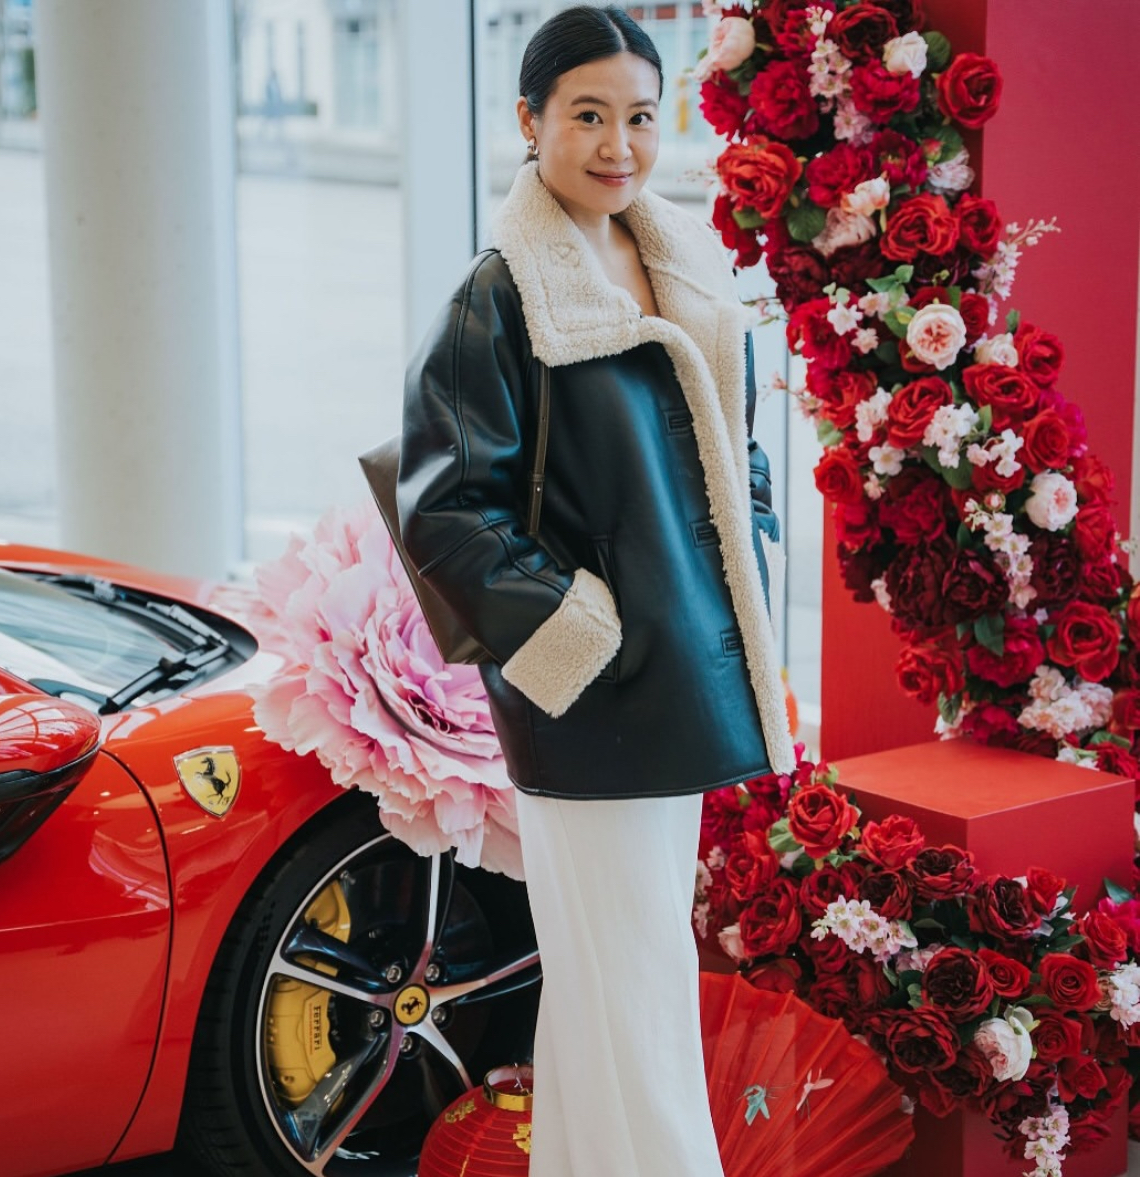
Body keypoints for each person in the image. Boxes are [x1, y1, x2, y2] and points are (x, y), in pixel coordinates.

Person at [397, 7, 796, 1174]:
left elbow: (736, 449)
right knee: (638, 997)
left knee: (607, 995)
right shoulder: (498, 297)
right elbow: (442, 511)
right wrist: (581, 633)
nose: (620, 146)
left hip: (679, 673)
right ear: (530, 122)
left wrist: (746, 548)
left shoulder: (678, 264)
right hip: (590, 697)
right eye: (587, 115)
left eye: (639, 117)